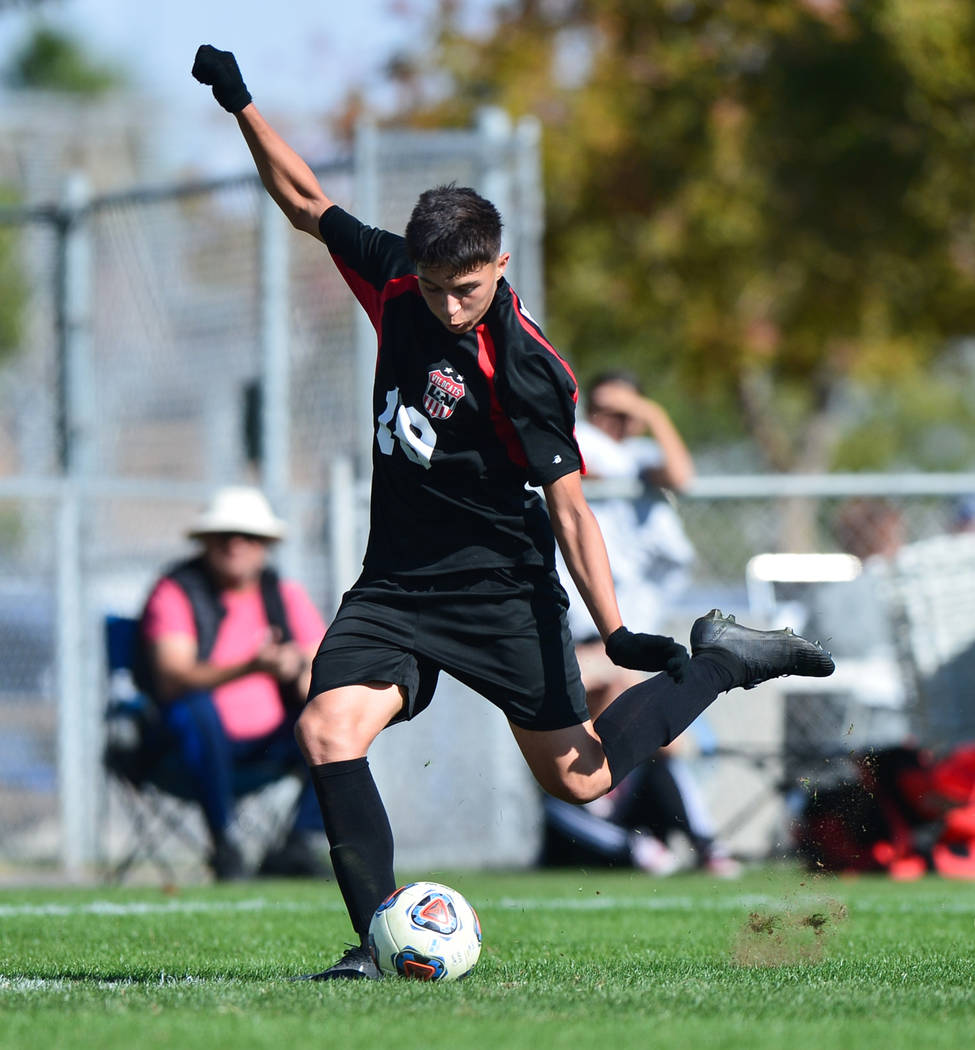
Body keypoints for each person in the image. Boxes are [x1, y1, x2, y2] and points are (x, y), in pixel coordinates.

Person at [191, 44, 835, 978]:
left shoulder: (528, 371)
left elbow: (571, 512)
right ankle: (377, 943)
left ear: (501, 263)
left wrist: (612, 631)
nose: (453, 305)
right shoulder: (398, 284)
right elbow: (302, 200)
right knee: (327, 729)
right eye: (440, 285)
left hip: (501, 588)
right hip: (396, 586)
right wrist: (240, 102)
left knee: (582, 779)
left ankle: (720, 663)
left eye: (471, 286)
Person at [549, 372, 738, 877]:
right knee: (612, 720)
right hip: (581, 643)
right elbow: (575, 476)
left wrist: (651, 414)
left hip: (621, 645)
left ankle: (684, 842)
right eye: (612, 408)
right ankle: (683, 843)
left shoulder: (633, 456)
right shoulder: (578, 443)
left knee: (659, 729)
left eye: (629, 410)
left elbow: (680, 475)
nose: (620, 419)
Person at [135, 485, 328, 880]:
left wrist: (295, 670)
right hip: (185, 750)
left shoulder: (283, 594)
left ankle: (298, 844)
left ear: (265, 545)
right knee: (195, 708)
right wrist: (251, 667)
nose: (237, 544)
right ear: (206, 541)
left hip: (272, 744)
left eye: (250, 536)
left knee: (336, 717)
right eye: (225, 535)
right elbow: (173, 679)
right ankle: (224, 844)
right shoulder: (175, 591)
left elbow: (320, 666)